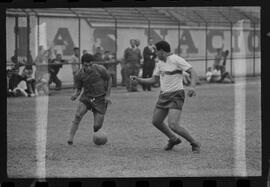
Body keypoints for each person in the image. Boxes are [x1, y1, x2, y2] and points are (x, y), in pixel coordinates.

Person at [131, 41, 201, 153]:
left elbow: (193, 72)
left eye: (156, 51)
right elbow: (154, 79)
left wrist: (192, 87)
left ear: (162, 51)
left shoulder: (176, 59)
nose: (155, 53)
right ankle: (173, 139)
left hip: (176, 95)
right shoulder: (159, 63)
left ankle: (195, 143)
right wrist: (138, 79)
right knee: (156, 121)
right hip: (163, 95)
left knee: (173, 125)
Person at [67, 53, 112, 145]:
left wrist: (107, 95)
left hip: (100, 98)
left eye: (90, 65)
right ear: (82, 64)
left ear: (93, 63)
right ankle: (70, 139)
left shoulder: (100, 69)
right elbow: (79, 89)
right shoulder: (79, 74)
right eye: (86, 65)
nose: (88, 67)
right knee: (78, 115)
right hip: (87, 97)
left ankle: (98, 135)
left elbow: (109, 79)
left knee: (97, 126)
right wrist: (75, 95)